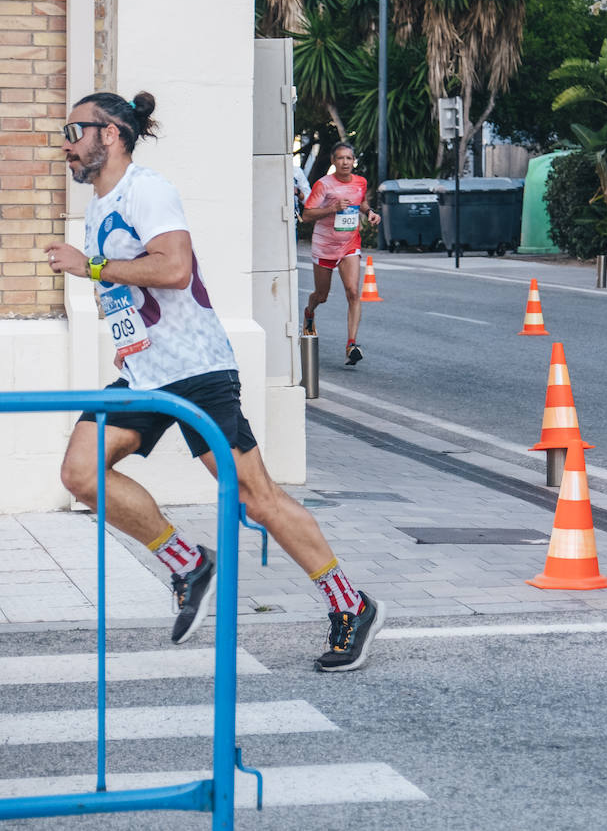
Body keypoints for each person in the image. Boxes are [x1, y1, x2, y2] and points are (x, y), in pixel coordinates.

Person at [45, 91, 386, 673]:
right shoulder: (101, 206)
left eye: (75, 131)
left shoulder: (147, 190)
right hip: (146, 370)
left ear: (111, 134)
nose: (66, 144)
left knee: (256, 497)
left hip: (196, 369)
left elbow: (175, 268)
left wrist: (93, 268)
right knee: (81, 473)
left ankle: (350, 605)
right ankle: (188, 563)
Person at [299, 141, 380, 365]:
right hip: (325, 246)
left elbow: (361, 202)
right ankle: (309, 311)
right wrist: (332, 209)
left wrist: (370, 212)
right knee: (321, 295)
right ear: (334, 161)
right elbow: (306, 215)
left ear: (353, 161)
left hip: (349, 245)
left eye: (349, 158)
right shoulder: (323, 185)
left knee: (353, 292)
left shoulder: (360, 182)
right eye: (340, 158)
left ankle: (351, 344)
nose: (345, 162)